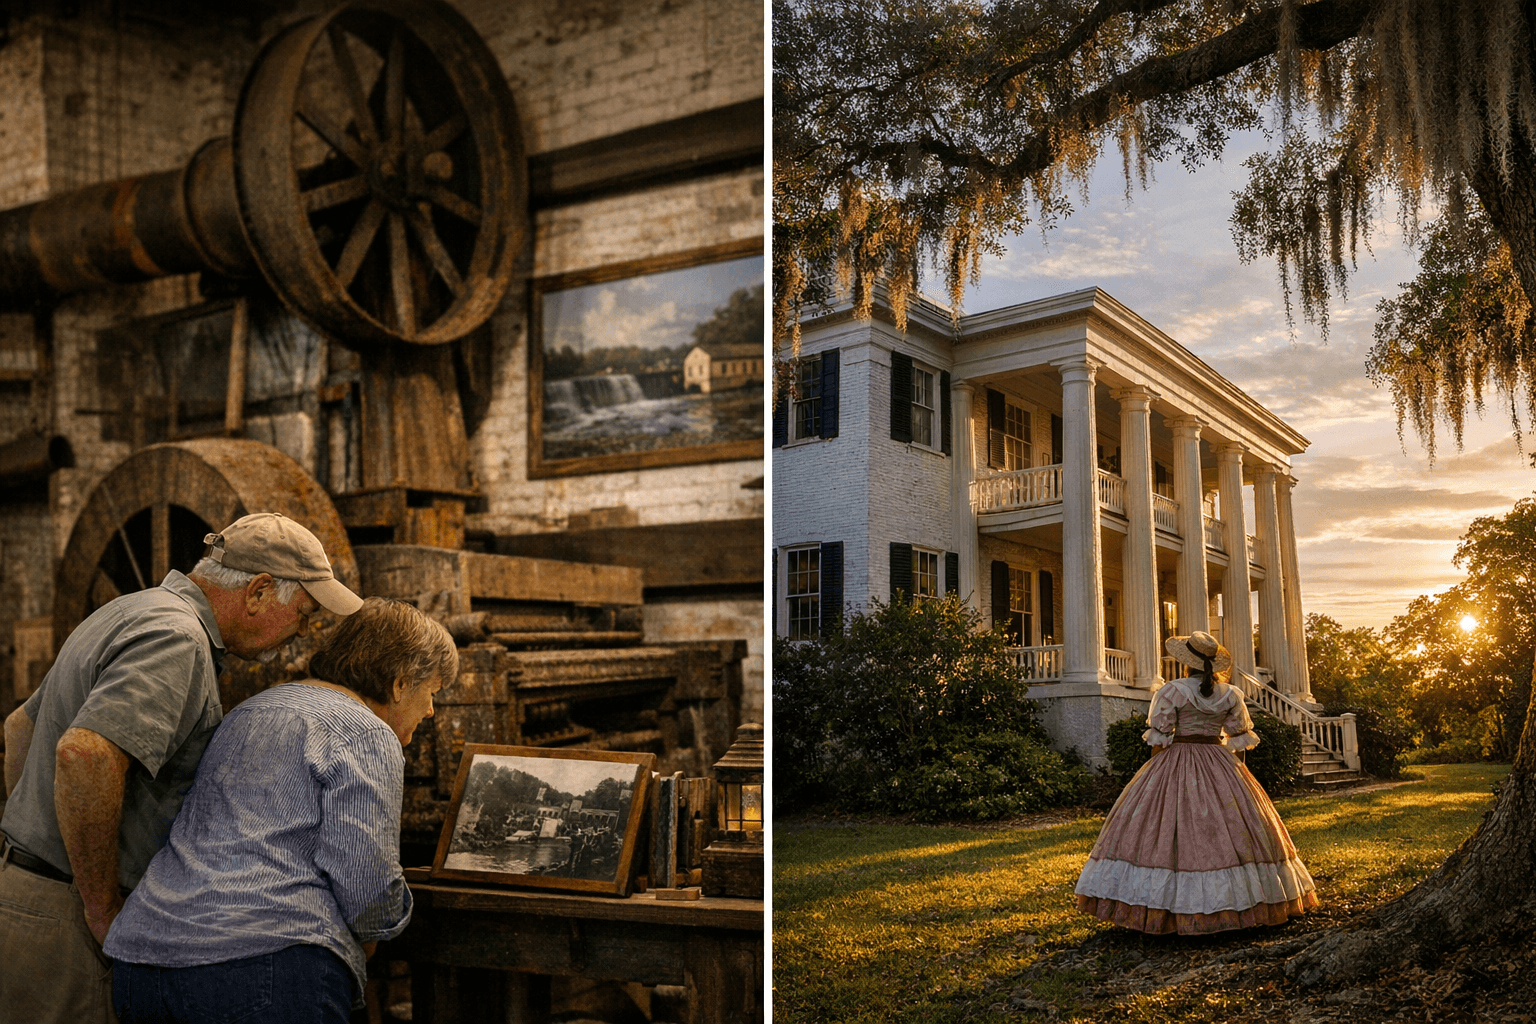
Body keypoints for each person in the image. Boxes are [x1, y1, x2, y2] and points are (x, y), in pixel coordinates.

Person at [0, 511, 362, 1024]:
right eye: (303, 613)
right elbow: (84, 754)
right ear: (258, 591)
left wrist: (36, 848)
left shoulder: (132, 609)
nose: (302, 633)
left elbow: (19, 728)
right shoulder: (178, 640)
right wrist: (98, 905)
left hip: (26, 896)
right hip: (69, 921)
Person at [104, 597, 456, 1024]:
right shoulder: (367, 733)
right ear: (400, 684)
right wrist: (380, 930)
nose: (431, 711)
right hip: (263, 969)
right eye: (431, 693)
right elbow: (367, 888)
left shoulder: (250, 710)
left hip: (141, 964)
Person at [1075, 631, 1318, 935]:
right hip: (1219, 759)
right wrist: (1238, 778)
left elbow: (1160, 738)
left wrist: (1155, 773)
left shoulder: (1172, 690)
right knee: (1232, 828)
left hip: (1178, 758)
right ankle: (1242, 902)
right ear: (1214, 664)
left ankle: (1166, 906)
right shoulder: (1230, 694)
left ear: (1185, 662)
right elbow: (1238, 741)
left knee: (1161, 828)